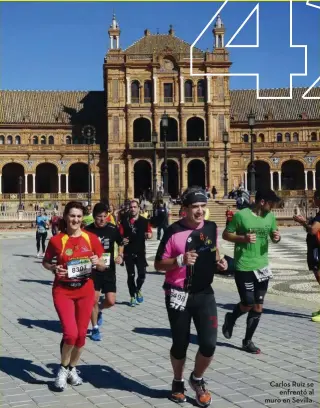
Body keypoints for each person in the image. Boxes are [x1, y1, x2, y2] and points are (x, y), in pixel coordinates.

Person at [154, 186, 228, 407]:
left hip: (205, 293)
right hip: (178, 293)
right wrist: (179, 261)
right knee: (180, 344)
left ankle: (197, 379)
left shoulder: (212, 227)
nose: (200, 211)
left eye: (203, 206)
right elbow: (158, 264)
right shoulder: (173, 231)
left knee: (209, 344)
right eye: (195, 207)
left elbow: (214, 250)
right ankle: (177, 382)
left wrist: (220, 262)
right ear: (184, 209)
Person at [42, 201, 105, 390]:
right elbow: (45, 262)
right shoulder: (57, 240)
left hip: (85, 291)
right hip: (63, 291)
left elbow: (103, 264)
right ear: (66, 217)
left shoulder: (91, 238)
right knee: (70, 333)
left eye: (78, 216)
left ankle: (72, 368)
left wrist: (97, 261)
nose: (75, 219)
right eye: (72, 216)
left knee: (81, 337)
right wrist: (54, 268)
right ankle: (62, 369)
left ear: (82, 218)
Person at [221, 189, 281, 354]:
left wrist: (277, 237)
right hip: (244, 265)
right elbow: (226, 234)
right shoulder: (242, 215)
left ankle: (247, 341)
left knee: (258, 306)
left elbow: (274, 237)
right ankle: (231, 318)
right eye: (271, 203)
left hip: (262, 266)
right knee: (247, 303)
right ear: (262, 202)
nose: (273, 206)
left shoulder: (270, 217)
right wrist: (243, 238)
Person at [85, 203, 124, 341]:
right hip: (93, 271)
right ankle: (95, 328)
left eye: (104, 216)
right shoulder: (87, 231)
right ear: (93, 217)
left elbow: (121, 242)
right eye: (99, 217)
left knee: (111, 301)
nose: (102, 219)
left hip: (108, 270)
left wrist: (120, 255)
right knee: (93, 300)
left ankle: (99, 310)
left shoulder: (112, 228)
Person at [119, 199, 153, 306]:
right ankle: (132, 296)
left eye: (135, 207)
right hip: (128, 252)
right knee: (131, 275)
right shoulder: (124, 221)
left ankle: (137, 290)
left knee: (142, 275)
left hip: (140, 252)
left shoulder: (144, 221)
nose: (133, 209)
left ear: (138, 208)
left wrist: (149, 235)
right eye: (131, 207)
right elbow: (120, 237)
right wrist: (121, 243)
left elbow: (150, 232)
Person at [293, 190, 320, 321]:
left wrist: (301, 222)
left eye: (315, 198)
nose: (313, 200)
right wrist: (306, 221)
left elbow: (314, 230)